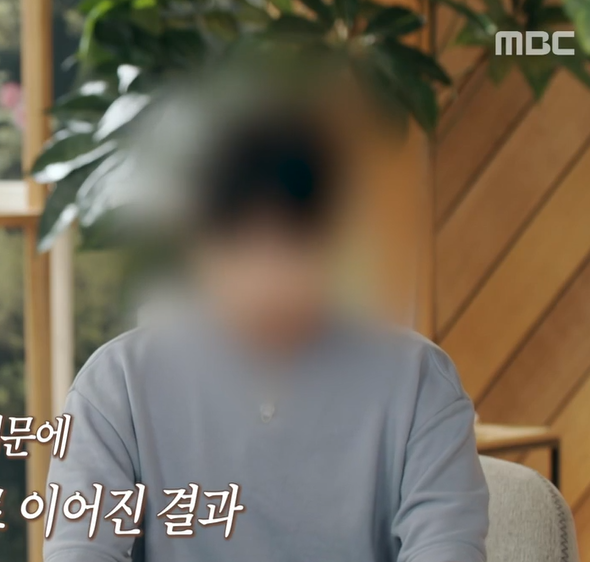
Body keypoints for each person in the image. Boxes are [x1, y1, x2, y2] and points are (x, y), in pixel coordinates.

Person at [43, 107, 489, 562]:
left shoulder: (418, 383)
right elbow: (81, 551)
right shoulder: (117, 386)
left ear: (336, 242)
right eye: (240, 247)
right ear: (196, 246)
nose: (267, 283)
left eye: (293, 246)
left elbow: (447, 548)